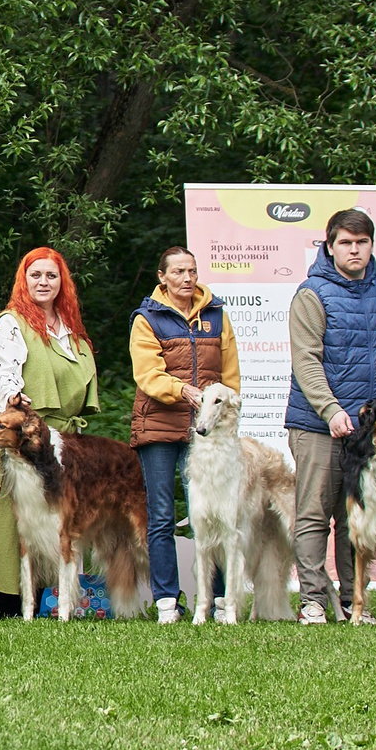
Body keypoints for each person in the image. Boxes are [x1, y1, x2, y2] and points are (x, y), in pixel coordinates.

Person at [285, 207, 376, 625]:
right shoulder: (312, 293)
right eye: (346, 242)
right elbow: (306, 362)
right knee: (314, 513)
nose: (354, 250)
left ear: (372, 246)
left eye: (361, 242)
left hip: (369, 433)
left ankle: (349, 601)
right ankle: (312, 602)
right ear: (330, 245)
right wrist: (333, 410)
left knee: (354, 516)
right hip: (317, 424)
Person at [0, 248, 94, 618]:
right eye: (35, 275)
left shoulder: (72, 330)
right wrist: (15, 401)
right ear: (24, 280)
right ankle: (5, 599)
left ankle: (56, 597)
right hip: (16, 431)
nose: (43, 282)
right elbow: (5, 377)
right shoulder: (10, 323)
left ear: (62, 282)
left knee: (60, 514)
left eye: (51, 276)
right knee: (10, 515)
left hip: (62, 439)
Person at [130, 246, 242, 623]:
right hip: (160, 428)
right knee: (162, 515)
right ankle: (167, 602)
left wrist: (229, 414)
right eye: (178, 271)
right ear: (162, 277)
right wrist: (184, 392)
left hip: (208, 434)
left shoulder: (216, 314)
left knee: (214, 516)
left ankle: (221, 601)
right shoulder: (147, 318)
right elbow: (148, 374)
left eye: (191, 270)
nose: (187, 278)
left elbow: (230, 376)